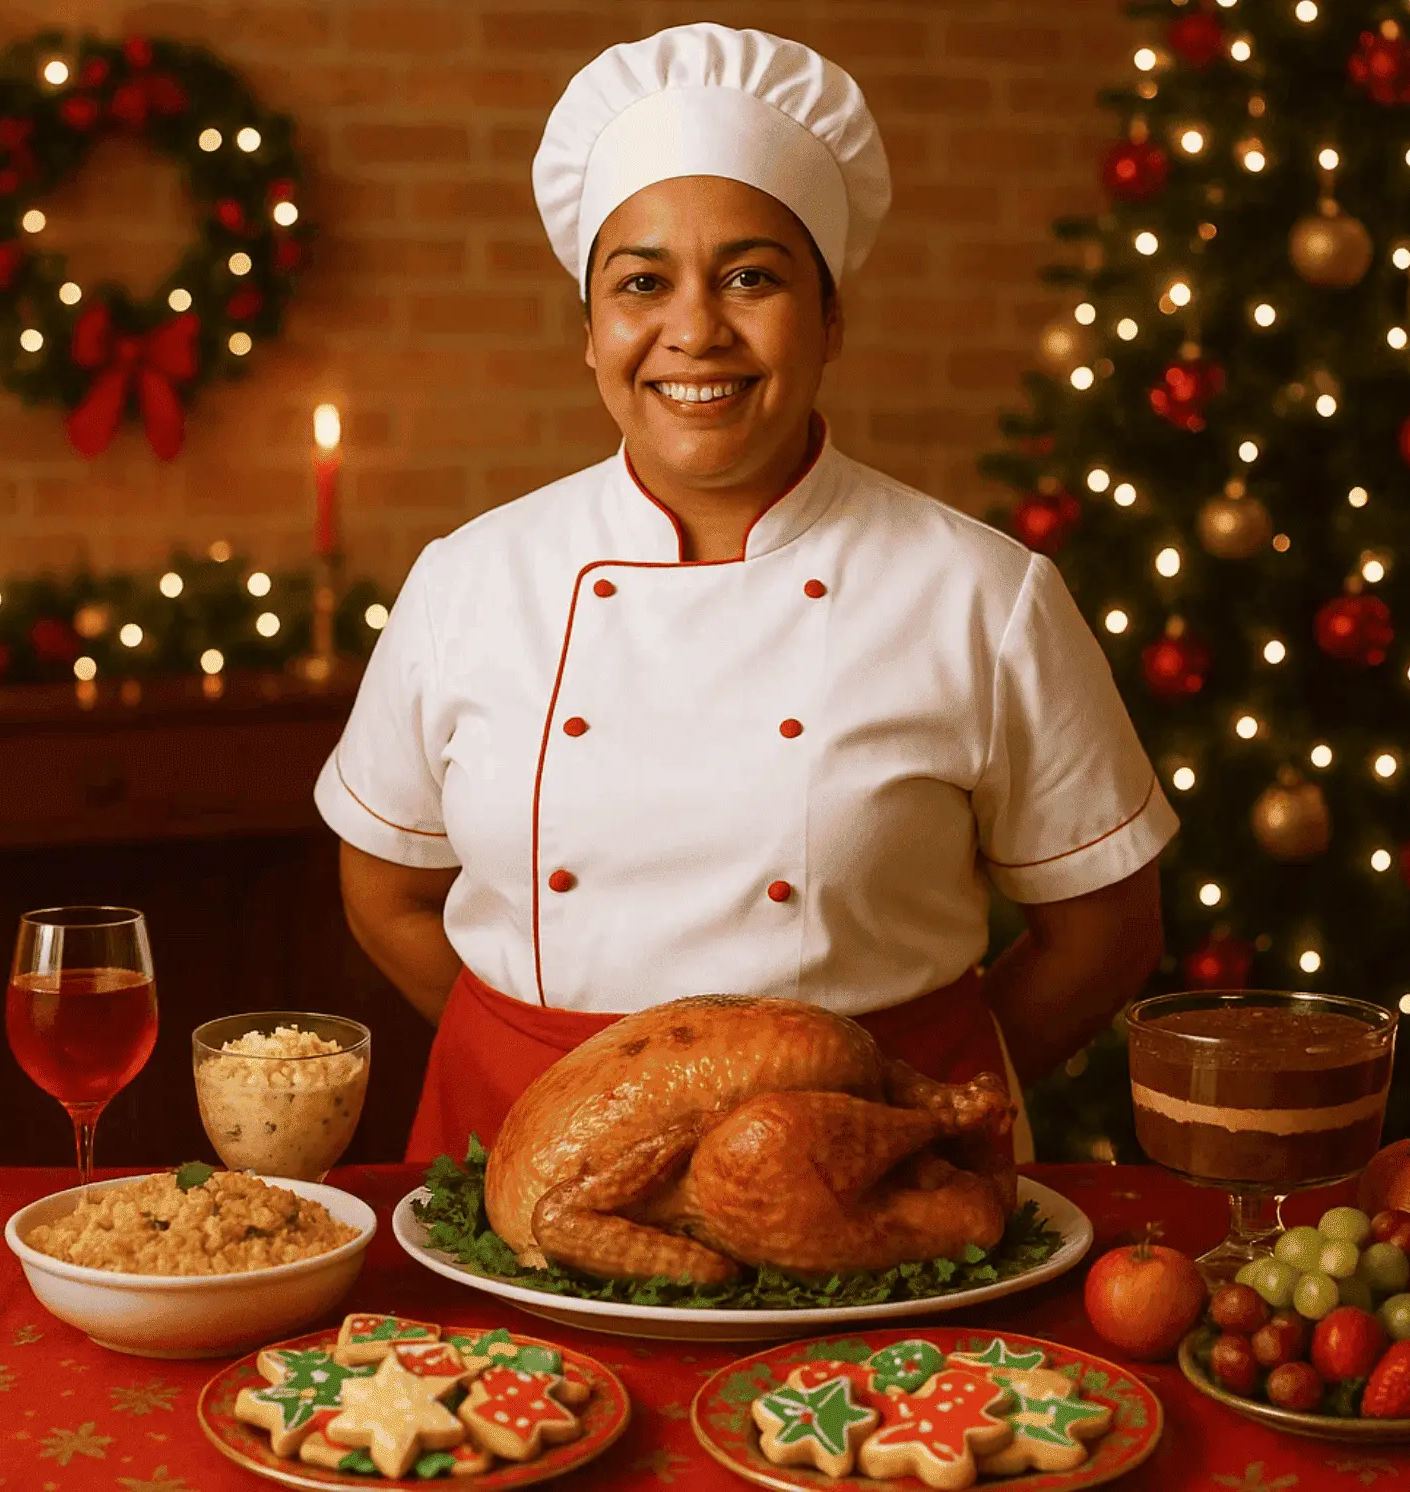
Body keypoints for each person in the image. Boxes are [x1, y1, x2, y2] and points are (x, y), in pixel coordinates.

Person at [314, 23, 1178, 1166]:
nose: (694, 330)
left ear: (830, 320)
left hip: (865, 1173)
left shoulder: (984, 593)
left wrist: (899, 1106)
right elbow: (385, 893)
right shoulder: (468, 580)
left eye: (751, 277)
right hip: (517, 1159)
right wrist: (556, 1080)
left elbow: (1107, 933)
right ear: (591, 333)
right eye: (641, 283)